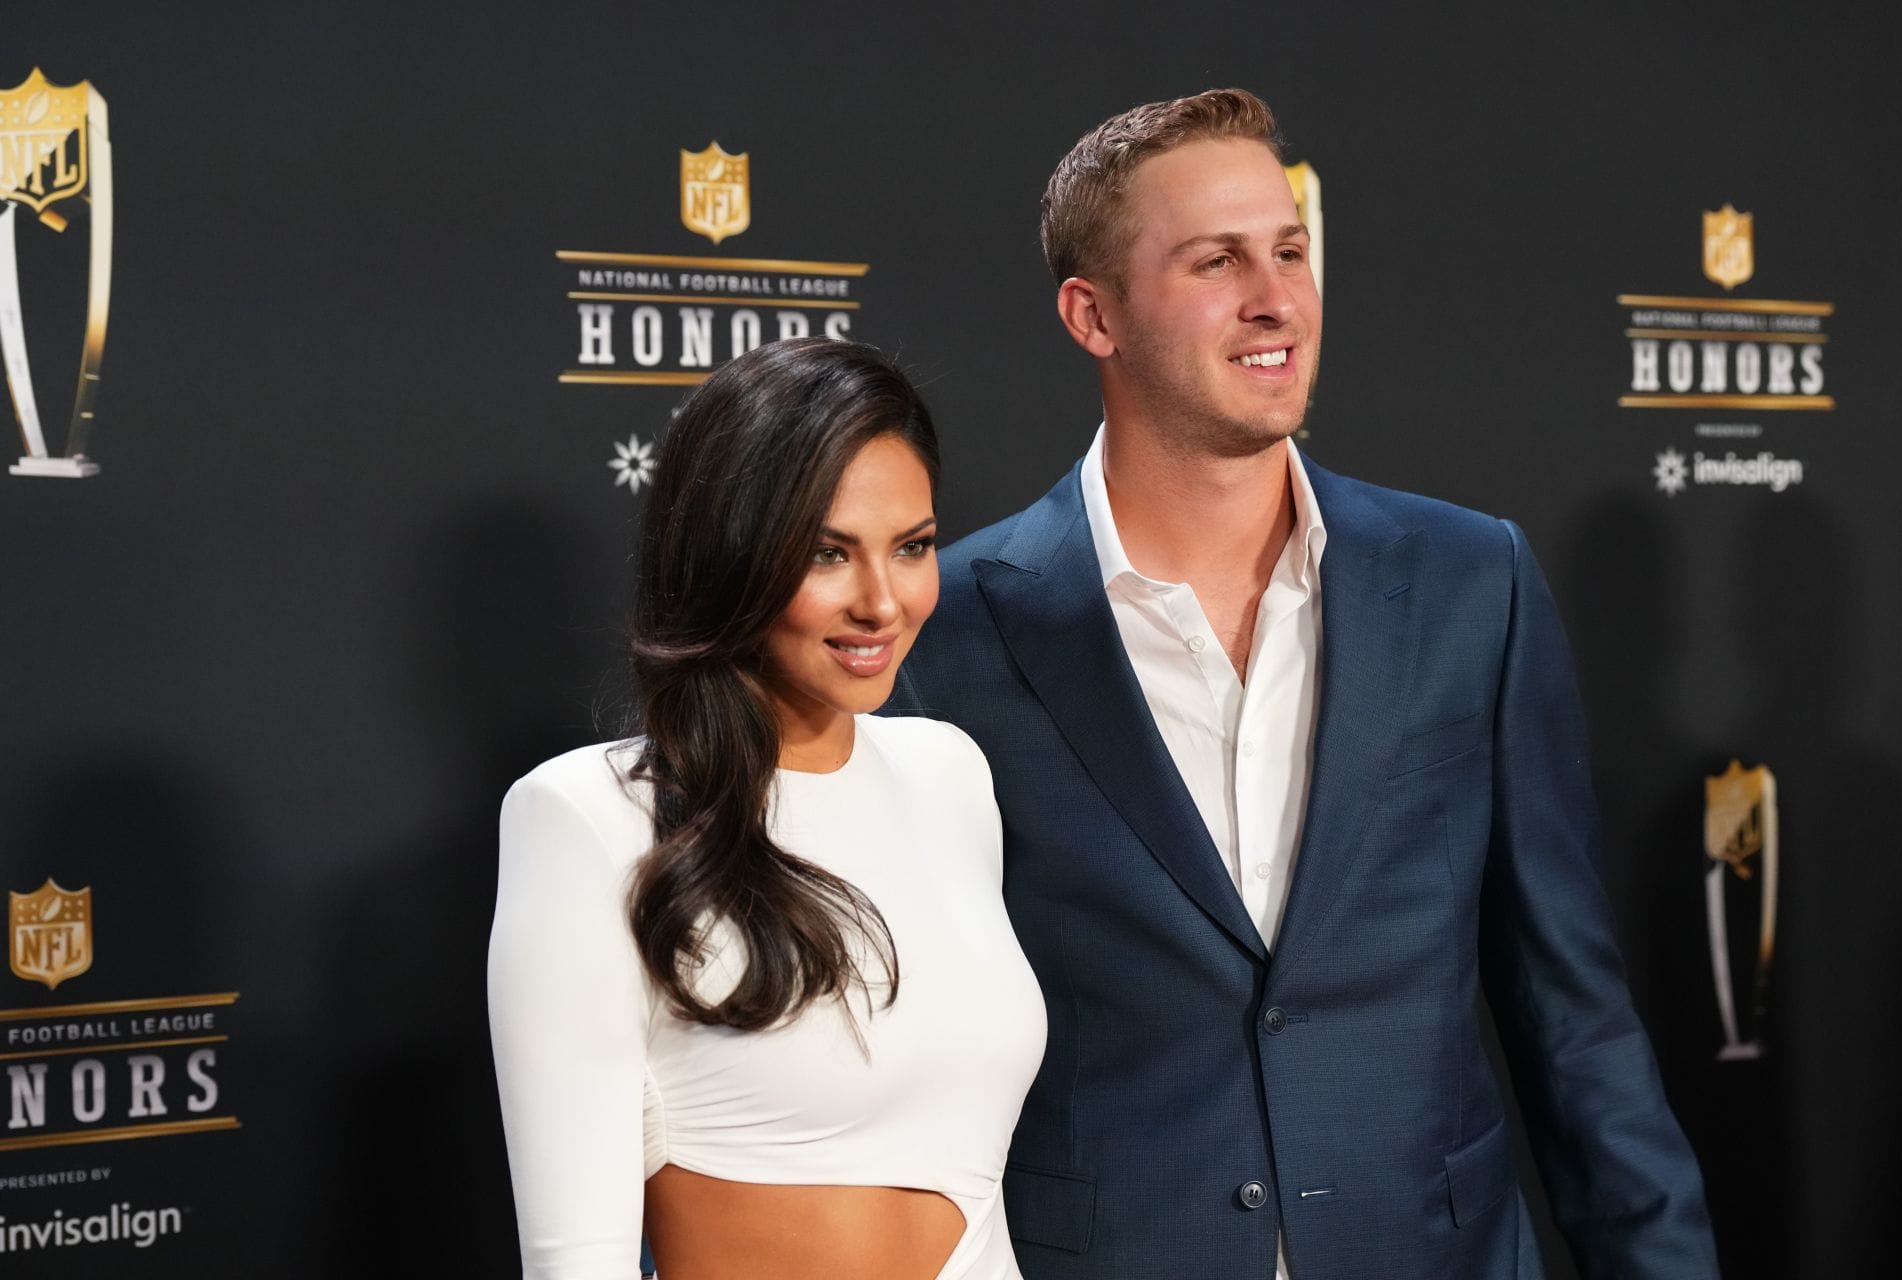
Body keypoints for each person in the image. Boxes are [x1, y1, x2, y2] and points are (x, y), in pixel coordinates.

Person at [890, 90, 1719, 1279]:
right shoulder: (951, 625)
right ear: (1093, 314)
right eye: (1215, 262)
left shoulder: (1468, 582)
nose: (1275, 298)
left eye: (1288, 252)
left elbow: (1572, 1014)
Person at [488, 336, 1046, 1280]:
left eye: (912, 547)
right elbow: (575, 1261)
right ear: (732, 556)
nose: (883, 601)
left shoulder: (952, 774)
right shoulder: (590, 816)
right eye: (827, 553)